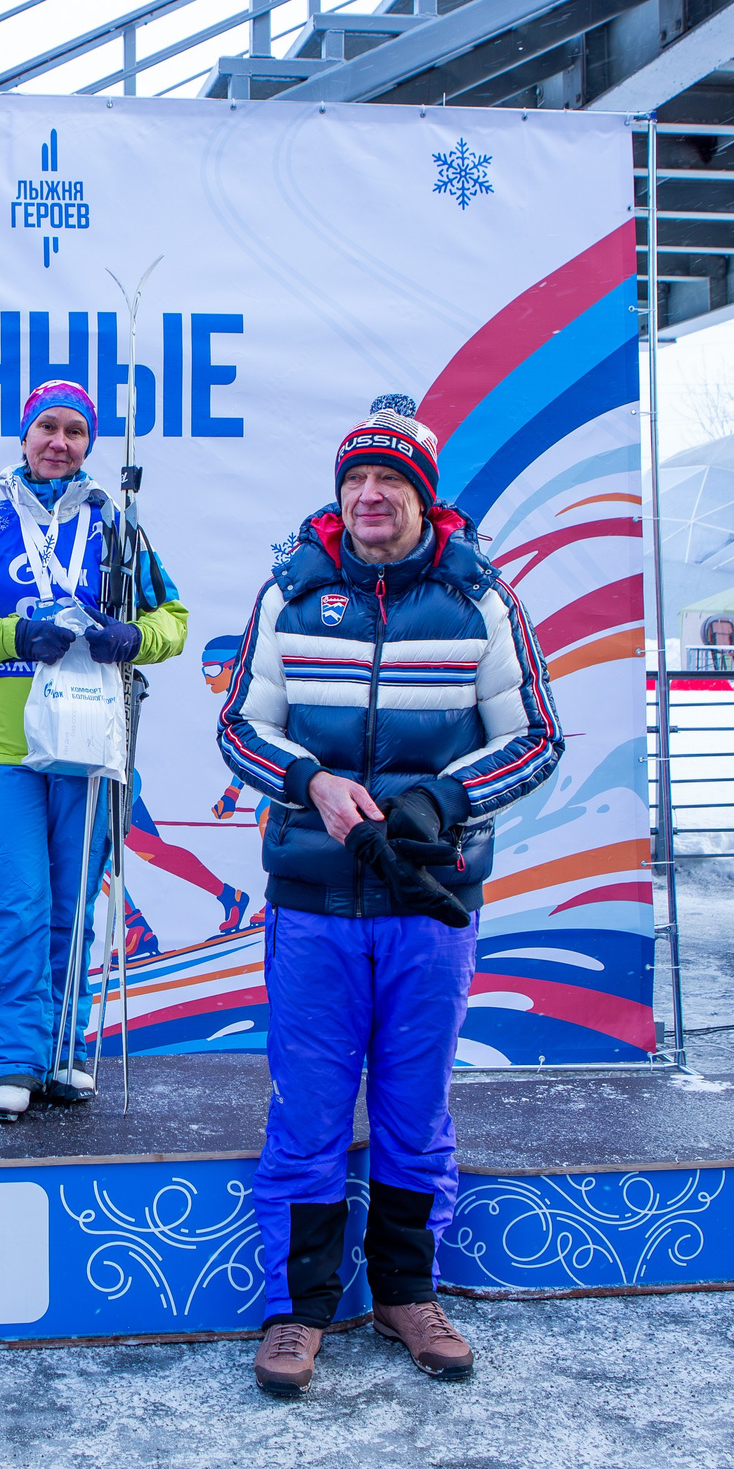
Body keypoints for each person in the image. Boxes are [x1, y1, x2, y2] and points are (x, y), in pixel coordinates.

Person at [215, 394, 563, 1396]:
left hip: (428, 893)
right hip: (313, 897)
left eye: (389, 481)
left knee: (415, 1107)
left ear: (422, 496)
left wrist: (443, 800)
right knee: (311, 1111)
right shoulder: (290, 590)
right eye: (355, 480)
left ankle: (408, 1294)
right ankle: (299, 1310)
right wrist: (312, 785)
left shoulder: (477, 598)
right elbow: (241, 725)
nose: (369, 496)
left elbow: (536, 735)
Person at [0, 380, 188, 1123]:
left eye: (74, 431)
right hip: (4, 743)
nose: (59, 442)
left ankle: (63, 1049)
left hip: (94, 736)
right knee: (18, 903)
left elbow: (174, 619)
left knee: (73, 901)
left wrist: (138, 637)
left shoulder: (116, 528)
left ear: (89, 444)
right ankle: (9, 1058)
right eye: (47, 428)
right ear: (24, 436)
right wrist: (11, 636)